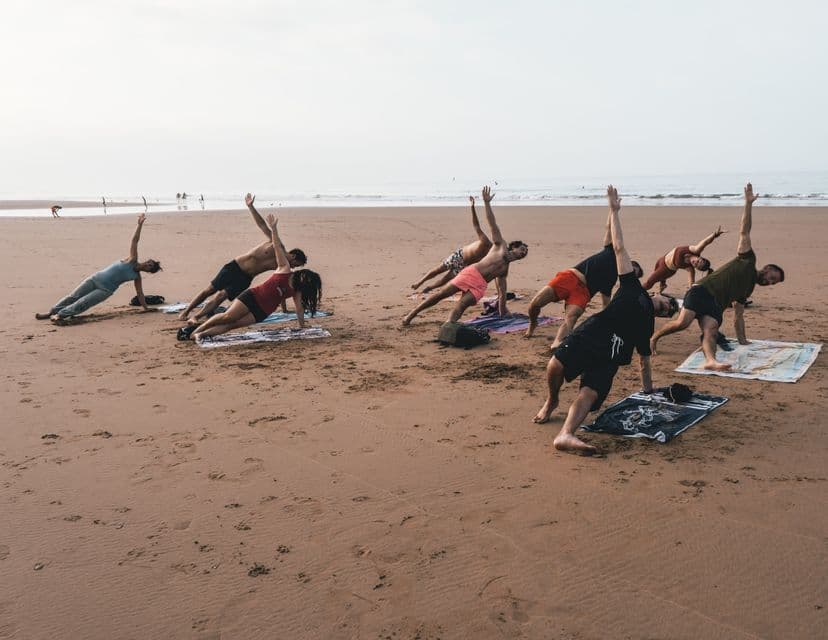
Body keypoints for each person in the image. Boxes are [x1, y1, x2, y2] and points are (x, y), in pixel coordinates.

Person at [532, 186, 678, 454]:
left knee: (588, 393)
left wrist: (649, 394)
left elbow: (644, 361)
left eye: (668, 313)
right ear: (660, 294)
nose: (666, 310)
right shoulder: (632, 286)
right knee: (555, 364)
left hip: (612, 355)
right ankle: (552, 400)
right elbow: (619, 247)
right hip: (595, 332)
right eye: (669, 304)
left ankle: (566, 434)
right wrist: (614, 211)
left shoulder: (647, 325)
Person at [650, 182, 784, 370]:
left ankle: (710, 361)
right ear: (767, 268)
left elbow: (738, 315)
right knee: (682, 323)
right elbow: (744, 231)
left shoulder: (748, 289)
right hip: (702, 291)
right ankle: (654, 338)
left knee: (711, 330)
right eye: (772, 277)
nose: (769, 282)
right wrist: (748, 204)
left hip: (714, 306)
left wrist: (743, 340)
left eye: (773, 283)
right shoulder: (747, 260)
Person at [402, 186, 528, 326]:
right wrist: (486, 203)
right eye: (522, 249)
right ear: (514, 247)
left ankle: (449, 325)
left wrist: (504, 313)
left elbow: (502, 293)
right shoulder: (500, 245)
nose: (524, 253)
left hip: (479, 286)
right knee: (440, 295)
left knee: (461, 305)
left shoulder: (504, 270)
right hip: (471, 273)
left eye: (525, 253)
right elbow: (492, 223)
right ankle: (411, 314)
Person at [190, 214, 322, 341]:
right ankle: (197, 330)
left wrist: (302, 326)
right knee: (228, 316)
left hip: (263, 310)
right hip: (252, 297)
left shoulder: (297, 290)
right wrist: (274, 229)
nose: (304, 278)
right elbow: (276, 247)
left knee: (232, 325)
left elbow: (299, 309)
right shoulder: (284, 269)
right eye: (305, 275)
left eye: (308, 281)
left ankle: (202, 335)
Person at [524, 209, 643, 349]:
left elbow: (606, 305)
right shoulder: (611, 252)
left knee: (571, 318)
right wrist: (612, 209)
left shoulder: (611, 280)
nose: (632, 272)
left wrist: (612, 325)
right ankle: (533, 323)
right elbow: (609, 229)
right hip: (570, 278)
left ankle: (557, 343)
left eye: (635, 274)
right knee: (534, 304)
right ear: (630, 262)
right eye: (634, 269)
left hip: (583, 293)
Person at [177, 193, 307, 321]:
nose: (295, 267)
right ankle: (186, 311)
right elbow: (262, 226)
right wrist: (251, 207)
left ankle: (196, 317)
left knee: (221, 296)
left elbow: (281, 285)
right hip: (235, 267)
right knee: (209, 290)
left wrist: (284, 309)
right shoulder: (276, 245)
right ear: (294, 256)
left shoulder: (283, 266)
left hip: (245, 278)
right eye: (297, 264)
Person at [35, 214, 161, 323]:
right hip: (96, 278)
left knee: (84, 303)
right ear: (148, 261)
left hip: (105, 290)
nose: (148, 266)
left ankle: (60, 315)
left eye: (150, 268)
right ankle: (51, 312)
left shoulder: (136, 277)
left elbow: (140, 293)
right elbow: (134, 241)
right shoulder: (132, 259)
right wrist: (139, 225)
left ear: (148, 272)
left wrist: (146, 308)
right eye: (150, 264)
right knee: (73, 296)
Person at [410, 196, 492, 293]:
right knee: (438, 270)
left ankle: (430, 288)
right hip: (459, 256)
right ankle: (420, 282)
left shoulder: (492, 253)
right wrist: (472, 207)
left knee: (445, 280)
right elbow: (476, 225)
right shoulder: (485, 241)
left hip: (464, 265)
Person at [641, 227, 725, 293]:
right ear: (700, 257)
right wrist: (714, 235)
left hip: (667, 270)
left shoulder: (689, 268)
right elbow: (705, 243)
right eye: (698, 261)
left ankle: (639, 291)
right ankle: (663, 285)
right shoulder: (695, 250)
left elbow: (691, 282)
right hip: (661, 260)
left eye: (696, 265)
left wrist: (690, 291)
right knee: (657, 276)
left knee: (650, 282)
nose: (695, 263)